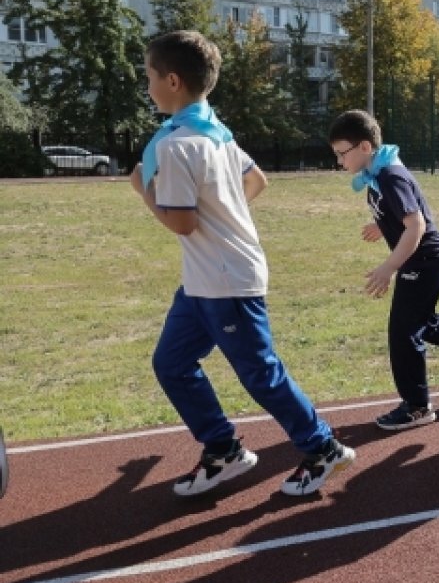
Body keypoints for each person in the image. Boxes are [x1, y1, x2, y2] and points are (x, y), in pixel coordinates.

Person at [131, 30, 354, 497]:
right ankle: (223, 449)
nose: (145, 83)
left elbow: (183, 224)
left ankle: (323, 448)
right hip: (204, 280)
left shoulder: (179, 145)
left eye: (148, 75)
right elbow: (257, 181)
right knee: (171, 363)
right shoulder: (215, 132)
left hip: (226, 280)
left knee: (259, 373)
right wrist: (227, 211)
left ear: (172, 80)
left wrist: (143, 189)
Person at [328, 110, 439, 431]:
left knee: (403, 331)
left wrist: (389, 266)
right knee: (421, 322)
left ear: (365, 147)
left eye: (343, 153)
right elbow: (407, 212)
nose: (340, 161)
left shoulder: (389, 175)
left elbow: (417, 225)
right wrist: (382, 225)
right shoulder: (379, 171)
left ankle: (417, 406)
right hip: (423, 260)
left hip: (423, 261)